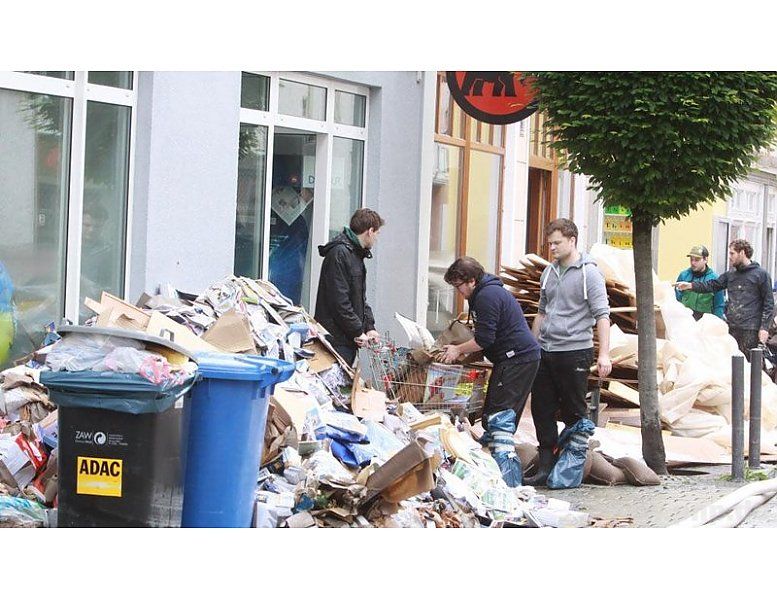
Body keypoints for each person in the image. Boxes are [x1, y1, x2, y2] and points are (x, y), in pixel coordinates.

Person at [526, 218, 612, 487]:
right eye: (549, 243)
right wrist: (531, 346)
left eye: (557, 243)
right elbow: (541, 313)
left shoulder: (590, 274)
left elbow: (603, 316)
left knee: (575, 411)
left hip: (575, 350)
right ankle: (546, 466)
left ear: (572, 240)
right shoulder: (548, 273)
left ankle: (571, 468)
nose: (551, 247)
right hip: (546, 351)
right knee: (542, 410)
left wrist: (604, 354)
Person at [440, 256, 540, 487]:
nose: (459, 292)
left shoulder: (487, 296)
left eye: (459, 286)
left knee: (499, 416)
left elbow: (484, 339)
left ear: (472, 281)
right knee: (492, 412)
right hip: (511, 359)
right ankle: (494, 469)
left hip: (517, 359)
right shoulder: (485, 293)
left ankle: (508, 481)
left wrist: (457, 349)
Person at [677, 238, 774, 356]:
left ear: (742, 253)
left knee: (749, 367)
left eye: (732, 253)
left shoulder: (761, 275)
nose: (729, 257)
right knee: (732, 364)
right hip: (732, 327)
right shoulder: (730, 275)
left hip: (751, 329)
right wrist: (690, 285)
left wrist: (764, 328)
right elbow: (712, 285)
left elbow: (769, 304)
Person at [314, 208, 384, 365]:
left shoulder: (355, 254)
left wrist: (369, 327)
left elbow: (359, 298)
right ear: (370, 231)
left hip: (346, 338)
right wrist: (358, 331)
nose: (377, 239)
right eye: (377, 234)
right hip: (335, 340)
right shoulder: (340, 253)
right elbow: (339, 302)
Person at [675, 245, 725, 321]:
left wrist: (716, 323)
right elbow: (676, 299)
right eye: (691, 259)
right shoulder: (684, 276)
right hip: (686, 320)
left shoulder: (714, 279)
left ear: (705, 260)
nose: (693, 263)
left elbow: (719, 305)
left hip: (705, 322)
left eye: (697, 260)